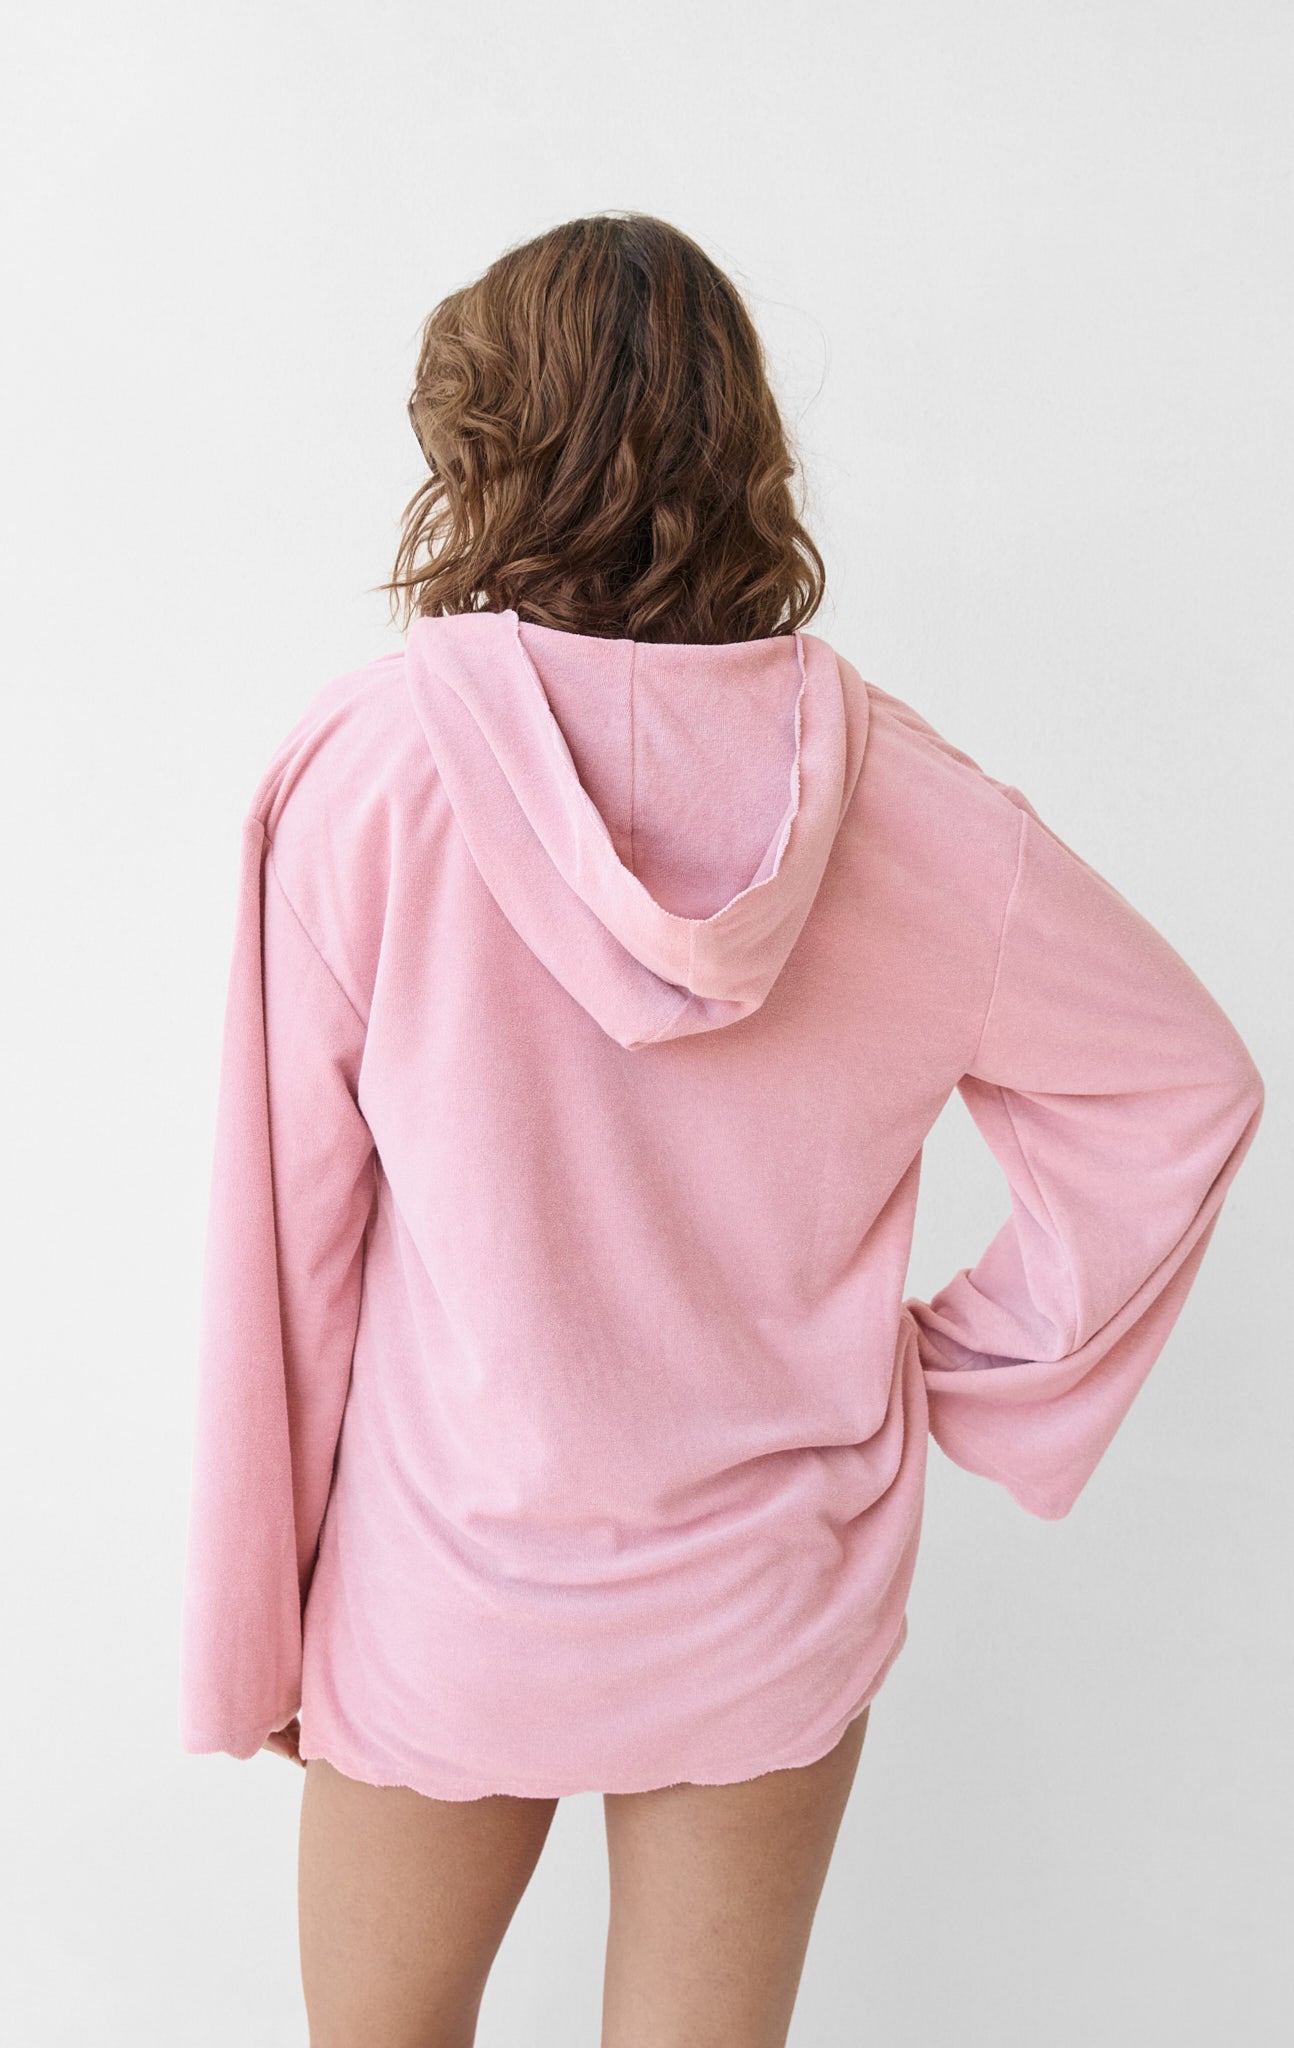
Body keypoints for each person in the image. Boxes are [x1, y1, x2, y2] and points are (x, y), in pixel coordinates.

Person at [178, 211, 1265, 2047]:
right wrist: (964, 1369)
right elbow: (1177, 1085)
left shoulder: (362, 777)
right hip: (769, 1580)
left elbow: (281, 1245)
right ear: (742, 443)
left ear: (478, 446)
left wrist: (255, 1625)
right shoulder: (916, 809)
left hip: (449, 1582)